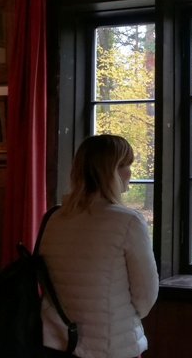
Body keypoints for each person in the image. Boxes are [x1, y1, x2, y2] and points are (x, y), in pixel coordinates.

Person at [39, 134, 159, 358]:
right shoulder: (128, 221)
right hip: (112, 346)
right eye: (126, 165)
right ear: (111, 171)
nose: (130, 172)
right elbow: (146, 296)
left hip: (58, 343)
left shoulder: (53, 218)